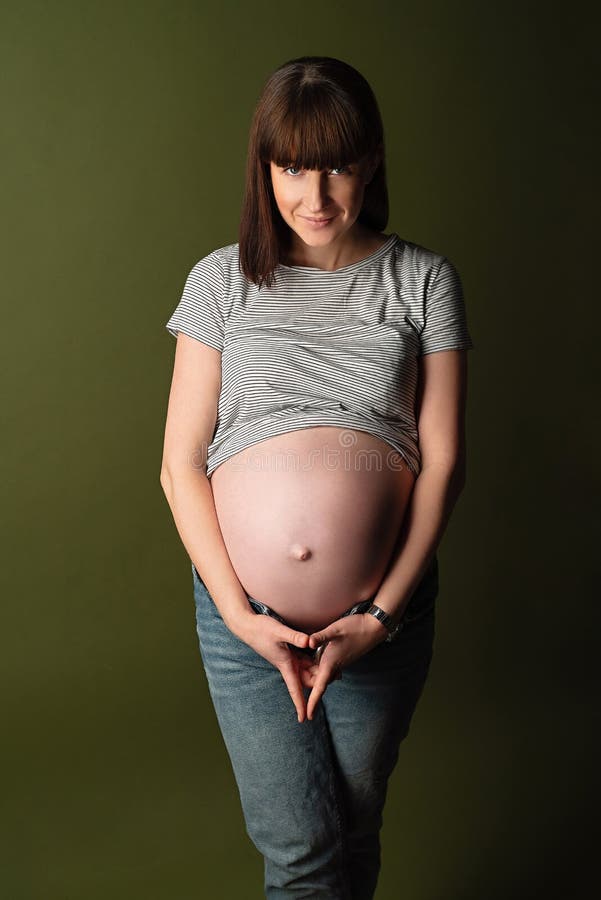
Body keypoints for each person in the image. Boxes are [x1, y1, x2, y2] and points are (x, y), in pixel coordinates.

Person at [160, 55, 474, 900]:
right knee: (301, 848)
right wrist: (237, 613)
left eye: (337, 164)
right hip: (244, 624)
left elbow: (442, 460)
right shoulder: (219, 281)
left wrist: (379, 613)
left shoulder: (422, 281)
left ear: (370, 160)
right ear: (264, 167)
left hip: (382, 619)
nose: (316, 195)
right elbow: (179, 462)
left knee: (349, 828)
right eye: (293, 167)